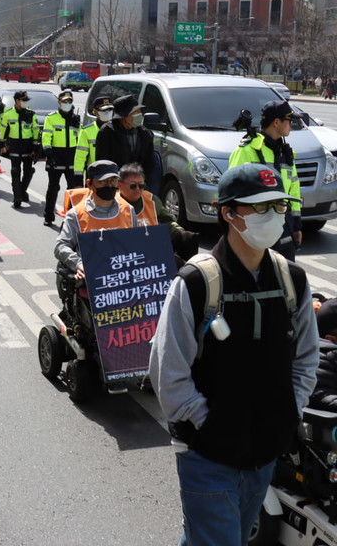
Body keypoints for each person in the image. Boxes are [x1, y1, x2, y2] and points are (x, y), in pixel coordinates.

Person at [148, 163, 319, 546]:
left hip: (264, 456)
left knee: (223, 537)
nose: (274, 216)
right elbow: (167, 371)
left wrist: (287, 413)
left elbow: (306, 359)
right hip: (207, 456)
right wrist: (208, 424)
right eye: (260, 207)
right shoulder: (196, 283)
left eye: (278, 206)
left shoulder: (293, 280)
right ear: (228, 213)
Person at [228, 99, 302, 260]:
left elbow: (294, 190)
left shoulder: (287, 153)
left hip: (284, 225)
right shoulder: (247, 151)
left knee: (285, 270)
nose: (291, 124)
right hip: (256, 225)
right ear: (276, 122)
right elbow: (232, 193)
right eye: (289, 120)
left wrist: (296, 224)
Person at [54, 160, 136, 280]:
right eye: (103, 181)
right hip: (92, 278)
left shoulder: (128, 210)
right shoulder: (76, 214)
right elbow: (61, 246)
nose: (109, 185)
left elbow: (137, 244)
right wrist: (78, 264)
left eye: (113, 180)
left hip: (123, 277)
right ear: (89, 184)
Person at [116, 163, 200, 261]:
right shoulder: (111, 203)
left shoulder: (152, 200)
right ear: (119, 185)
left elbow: (167, 221)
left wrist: (180, 234)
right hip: (123, 255)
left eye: (141, 185)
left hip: (152, 253)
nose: (138, 189)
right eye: (133, 186)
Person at [94, 94, 156, 190]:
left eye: (139, 111)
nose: (139, 115)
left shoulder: (145, 134)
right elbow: (103, 164)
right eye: (134, 112)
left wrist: (143, 186)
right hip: (115, 187)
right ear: (123, 117)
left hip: (138, 187)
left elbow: (149, 164)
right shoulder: (107, 133)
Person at [42, 90, 81, 226]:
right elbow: (46, 138)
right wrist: (49, 155)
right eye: (65, 101)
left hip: (72, 159)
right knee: (53, 188)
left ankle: (71, 218)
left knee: (73, 190)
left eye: (70, 101)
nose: (67, 103)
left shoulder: (76, 119)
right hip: (56, 158)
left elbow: (80, 139)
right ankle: (48, 216)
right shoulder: (51, 118)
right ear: (59, 102)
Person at [0, 90, 39, 209]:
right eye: (23, 100)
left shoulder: (31, 114)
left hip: (28, 146)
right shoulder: (8, 114)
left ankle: (22, 191)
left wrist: (35, 148)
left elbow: (36, 131)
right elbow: (3, 131)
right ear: (17, 101)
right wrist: (2, 145)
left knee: (28, 171)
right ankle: (17, 197)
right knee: (15, 171)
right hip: (15, 145)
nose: (26, 102)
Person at [74, 97, 113, 184]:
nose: (108, 113)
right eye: (104, 110)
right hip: (94, 176)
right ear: (95, 112)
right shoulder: (86, 131)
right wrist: (78, 179)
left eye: (110, 110)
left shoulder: (117, 129)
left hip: (113, 175)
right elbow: (80, 157)